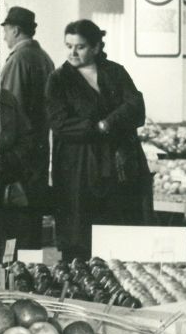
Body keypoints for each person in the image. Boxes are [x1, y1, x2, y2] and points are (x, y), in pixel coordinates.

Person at [45, 19, 153, 262]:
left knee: (120, 230)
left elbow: (136, 106)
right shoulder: (58, 80)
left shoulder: (115, 72)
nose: (73, 53)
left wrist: (108, 123)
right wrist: (100, 126)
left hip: (119, 165)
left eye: (80, 47)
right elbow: (60, 124)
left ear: (95, 47)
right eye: (68, 46)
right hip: (79, 167)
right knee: (81, 233)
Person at [0, 6, 55, 248]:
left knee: (16, 227)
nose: (4, 37)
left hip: (20, 160)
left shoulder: (18, 61)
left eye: (6, 30)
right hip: (39, 154)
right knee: (32, 227)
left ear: (16, 30)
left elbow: (10, 112)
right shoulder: (45, 59)